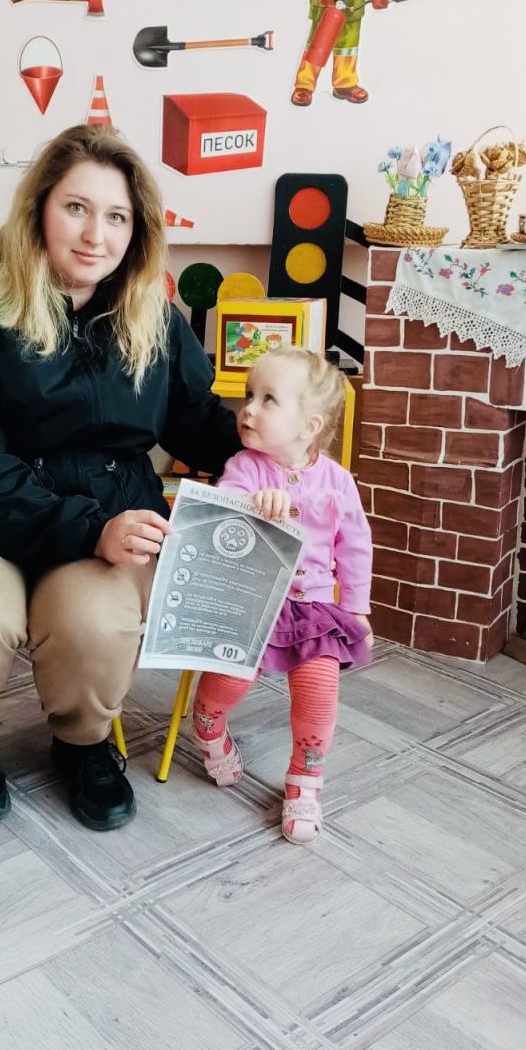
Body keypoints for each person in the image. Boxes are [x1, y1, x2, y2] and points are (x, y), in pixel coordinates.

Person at [0, 125, 240, 832]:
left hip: (108, 524)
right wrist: (90, 529)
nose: (94, 235)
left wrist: (277, 462)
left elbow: (197, 422)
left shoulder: (158, 322)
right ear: (39, 211)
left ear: (136, 231)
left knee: (94, 624)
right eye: (76, 208)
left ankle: (82, 745)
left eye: (116, 217)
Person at [190, 348, 373, 844]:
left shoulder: (337, 481)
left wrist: (356, 608)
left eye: (268, 399)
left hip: (313, 607)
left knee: (318, 692)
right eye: (249, 395)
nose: (248, 409)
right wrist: (251, 503)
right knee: (230, 678)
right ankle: (207, 726)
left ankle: (305, 780)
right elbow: (222, 506)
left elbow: (355, 545)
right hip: (252, 597)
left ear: (308, 426)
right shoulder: (245, 468)